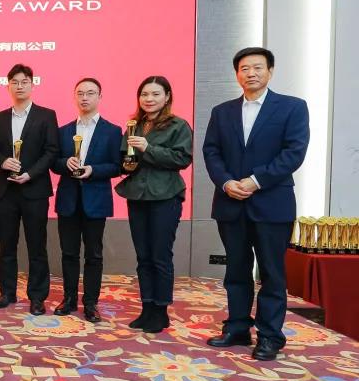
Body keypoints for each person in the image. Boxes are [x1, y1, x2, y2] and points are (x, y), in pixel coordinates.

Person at [203, 47, 309, 361]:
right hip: (231, 202)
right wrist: (226, 182)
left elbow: (294, 153)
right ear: (237, 74)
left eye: (257, 67)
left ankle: (270, 336)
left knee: (272, 273)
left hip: (272, 203)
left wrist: (255, 180)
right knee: (236, 270)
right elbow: (211, 152)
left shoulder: (292, 107)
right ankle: (237, 327)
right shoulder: (222, 111)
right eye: (244, 68)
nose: (251, 73)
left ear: (270, 71)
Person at [115, 75, 193, 334]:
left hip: (165, 196)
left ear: (167, 96)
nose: (149, 99)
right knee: (143, 256)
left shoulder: (178, 125)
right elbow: (125, 159)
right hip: (137, 195)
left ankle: (161, 311)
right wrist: (125, 164)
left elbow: (182, 159)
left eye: (155, 94)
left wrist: (148, 148)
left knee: (160, 255)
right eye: (144, 94)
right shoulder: (134, 125)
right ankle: (146, 307)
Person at [0, 63, 59, 315]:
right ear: (8, 86)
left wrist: (30, 174)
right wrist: (2, 162)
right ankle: (7, 292)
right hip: (6, 191)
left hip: (34, 190)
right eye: (14, 82)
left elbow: (51, 151)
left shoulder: (46, 115)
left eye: (24, 81)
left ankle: (37, 296)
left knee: (36, 246)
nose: (19, 86)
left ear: (32, 84)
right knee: (6, 246)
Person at [49, 77, 123, 322]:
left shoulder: (112, 131)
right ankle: (69, 299)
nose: (84, 97)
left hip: (96, 201)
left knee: (94, 255)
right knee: (68, 253)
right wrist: (64, 163)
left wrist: (93, 170)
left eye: (90, 93)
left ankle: (90, 303)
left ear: (100, 97)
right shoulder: (64, 131)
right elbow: (54, 162)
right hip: (68, 200)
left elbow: (117, 166)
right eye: (80, 93)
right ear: (74, 97)